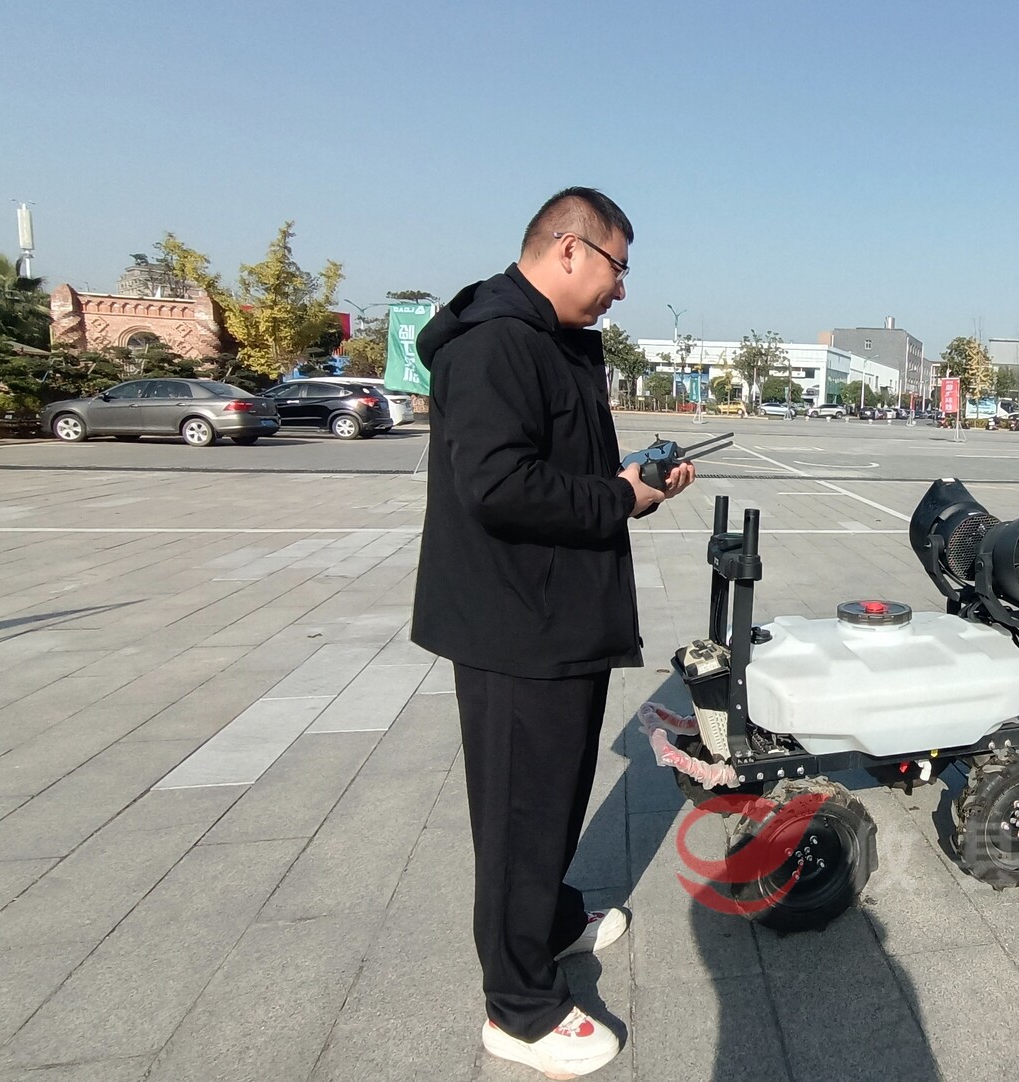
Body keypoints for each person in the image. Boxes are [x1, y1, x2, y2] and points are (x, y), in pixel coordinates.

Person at [411, 187, 695, 1078]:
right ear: (570, 249)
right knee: (519, 814)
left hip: (557, 615)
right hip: (514, 625)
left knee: (556, 797)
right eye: (618, 267)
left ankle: (551, 918)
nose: (621, 289)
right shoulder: (496, 341)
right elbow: (496, 486)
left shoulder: (550, 339)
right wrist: (618, 497)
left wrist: (630, 481)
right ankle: (519, 1007)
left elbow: (556, 466)